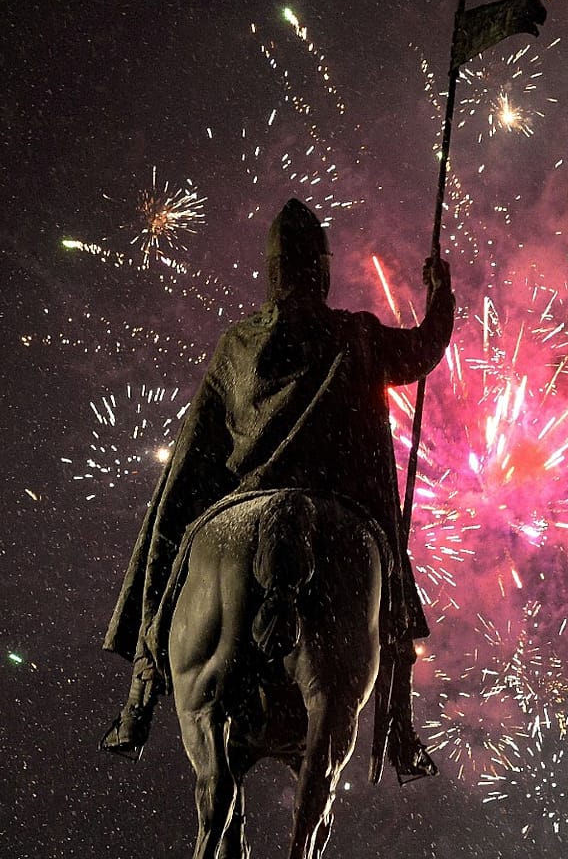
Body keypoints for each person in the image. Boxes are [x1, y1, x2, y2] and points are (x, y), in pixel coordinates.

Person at [100, 198, 454, 776]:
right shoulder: (356, 333)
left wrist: (187, 504)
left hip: (246, 499)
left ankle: (141, 690)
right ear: (320, 268)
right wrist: (442, 292)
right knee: (391, 593)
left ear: (273, 271)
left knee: (170, 525)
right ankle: (401, 732)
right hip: (341, 503)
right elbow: (422, 350)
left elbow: (197, 452)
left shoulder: (235, 346)